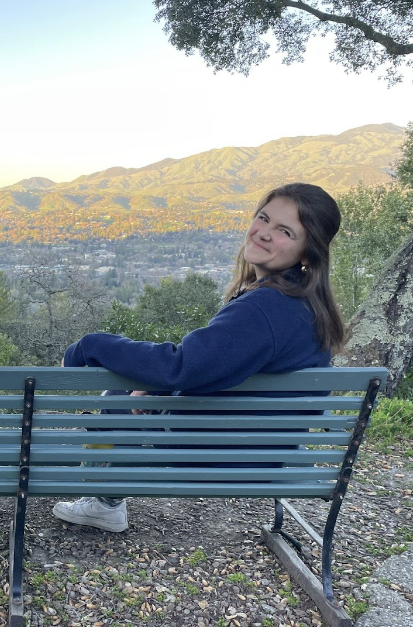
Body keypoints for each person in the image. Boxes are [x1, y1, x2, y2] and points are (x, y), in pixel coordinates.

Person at [52, 182, 346, 533]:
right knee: (137, 392)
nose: (264, 233)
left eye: (284, 231)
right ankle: (105, 500)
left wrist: (89, 346)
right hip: (266, 451)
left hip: (225, 458)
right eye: (264, 219)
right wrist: (158, 389)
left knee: (116, 398)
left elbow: (180, 366)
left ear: (307, 254)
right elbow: (226, 370)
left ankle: (104, 503)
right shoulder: (307, 306)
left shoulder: (265, 309)